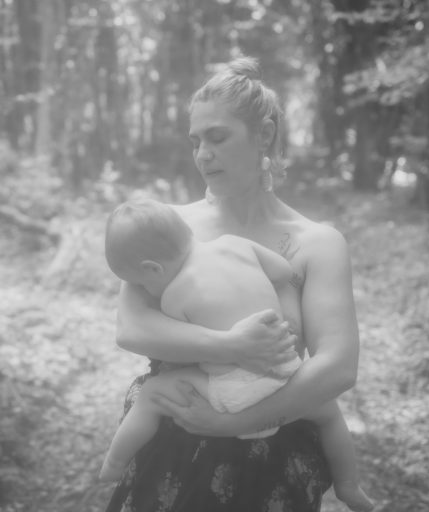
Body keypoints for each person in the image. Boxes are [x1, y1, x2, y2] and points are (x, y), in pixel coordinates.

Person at [105, 56, 368, 512]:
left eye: (217, 137)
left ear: (264, 135)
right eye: (195, 141)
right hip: (170, 450)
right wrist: (233, 347)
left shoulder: (317, 243)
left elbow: (338, 366)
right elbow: (132, 329)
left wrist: (232, 423)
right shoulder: (170, 229)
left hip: (272, 463)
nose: (202, 154)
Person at [100, 198, 373, 512]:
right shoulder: (235, 244)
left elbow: (179, 353)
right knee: (329, 414)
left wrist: (225, 345)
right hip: (285, 374)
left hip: (233, 392)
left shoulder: (174, 296)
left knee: (152, 394)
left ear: (153, 268)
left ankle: (114, 462)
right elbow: (283, 271)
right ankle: (349, 485)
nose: (145, 289)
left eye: (143, 283)